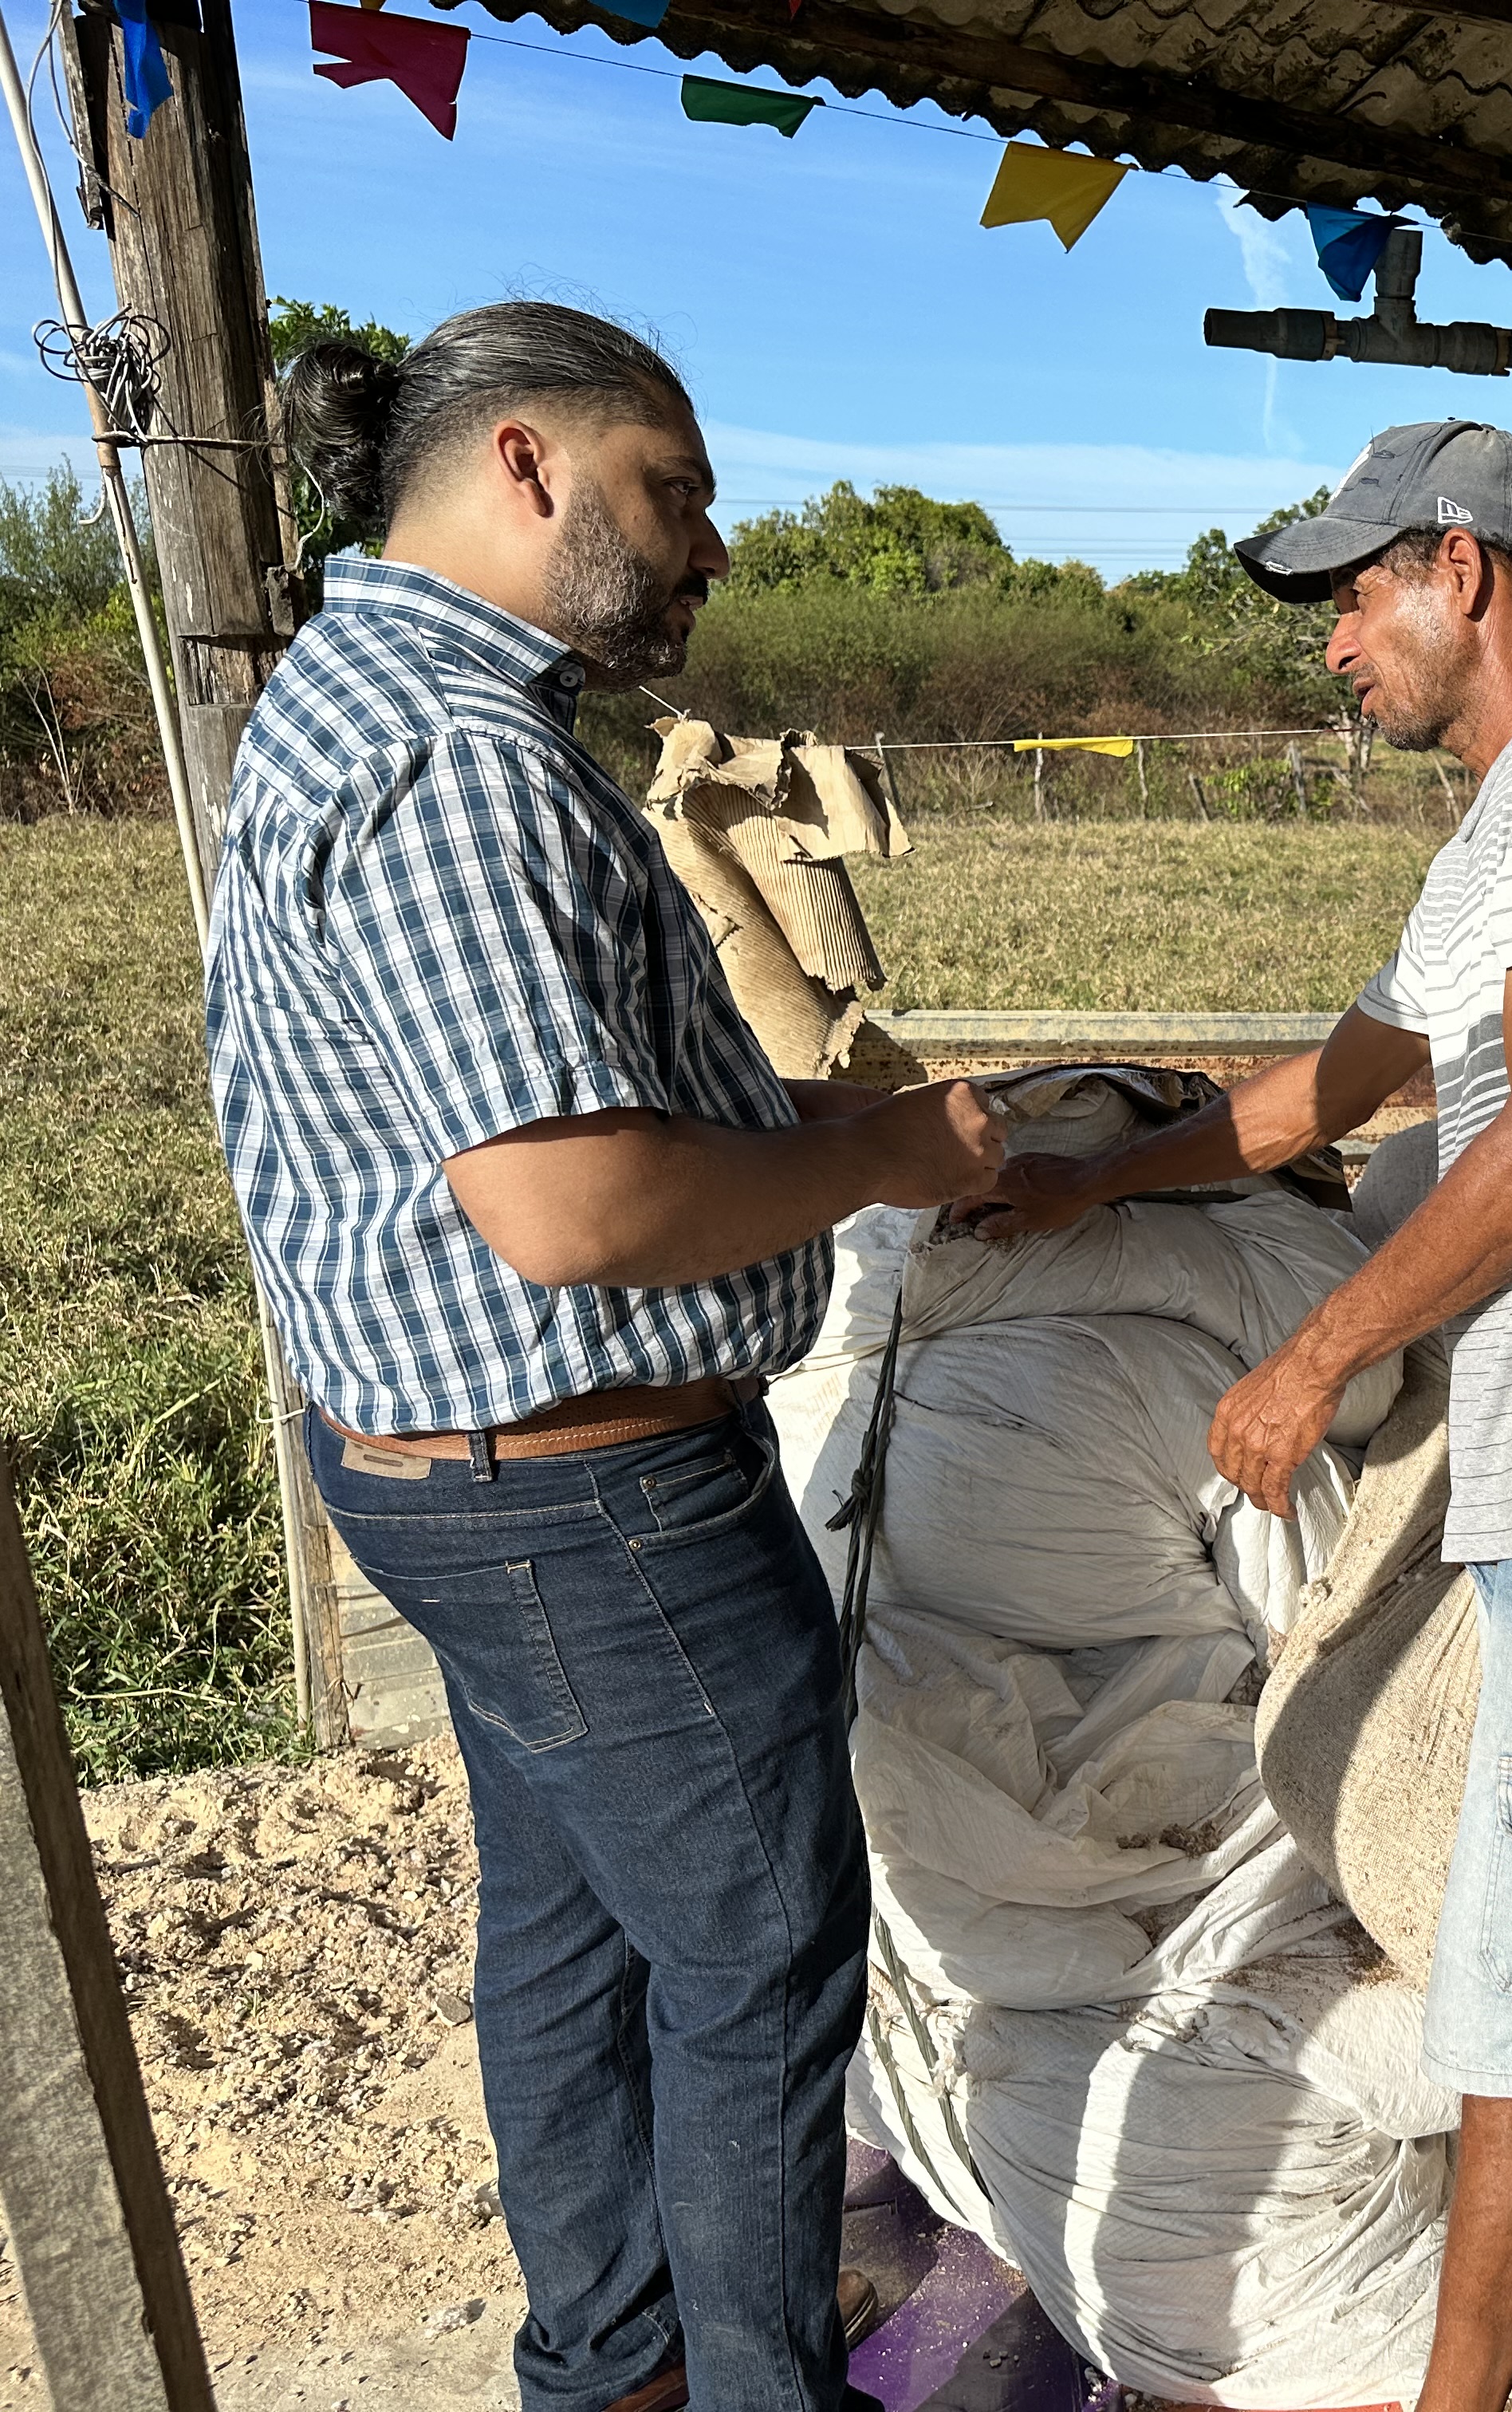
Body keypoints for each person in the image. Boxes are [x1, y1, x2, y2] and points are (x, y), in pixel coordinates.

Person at [961, 420, 1512, 2412]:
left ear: (1464, 572)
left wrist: (1313, 1354)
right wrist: (1086, 1177)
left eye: (1354, 594)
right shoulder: (1506, 827)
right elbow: (1331, 1094)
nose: (1333, 642)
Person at [205, 302, 1006, 2412]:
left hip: (447, 1468)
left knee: (568, 1934)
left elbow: (579, 1104)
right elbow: (571, 1208)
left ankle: (610, 2371)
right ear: (530, 467)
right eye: (678, 490)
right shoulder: (462, 759)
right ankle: (751, 2388)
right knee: (753, 1967)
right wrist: (896, 1154)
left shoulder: (351, 694)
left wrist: (819, 1127)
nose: (709, 545)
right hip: (596, 1492)